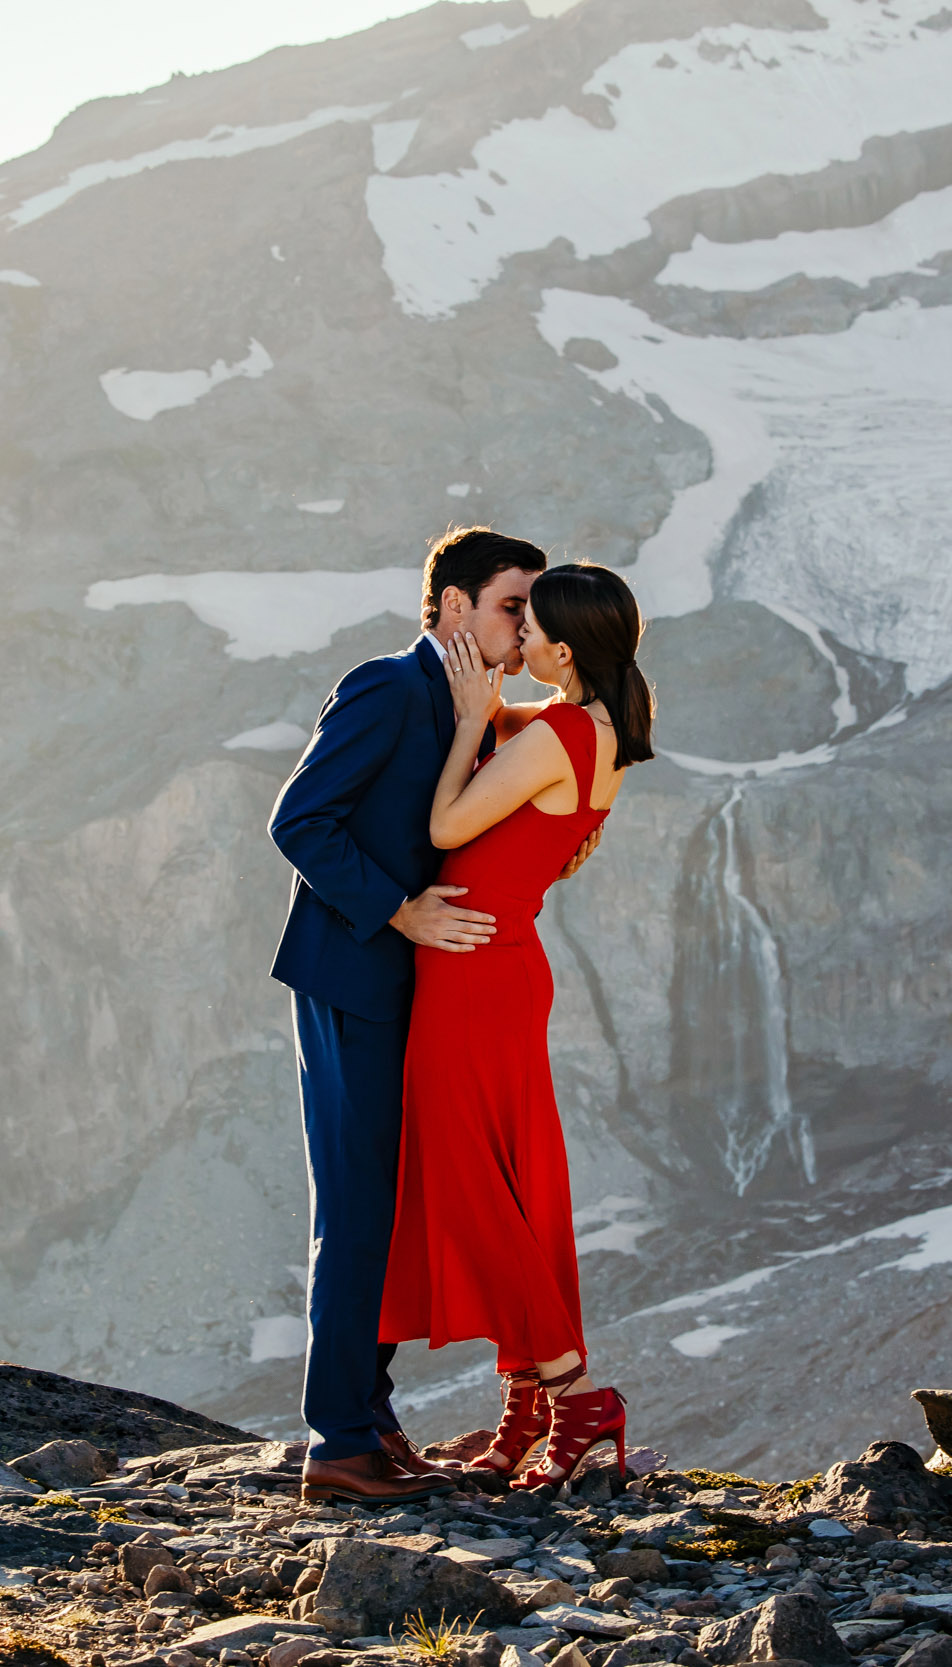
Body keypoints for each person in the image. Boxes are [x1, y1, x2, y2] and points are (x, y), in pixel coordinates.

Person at [267, 526, 563, 1504]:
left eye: (530, 608)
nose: (524, 625)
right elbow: (298, 818)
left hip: (417, 993)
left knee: (392, 1211)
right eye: (510, 605)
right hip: (352, 979)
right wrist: (398, 907)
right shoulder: (388, 687)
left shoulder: (476, 702)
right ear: (450, 608)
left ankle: (372, 1417)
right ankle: (337, 1444)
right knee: (356, 1207)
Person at [378, 561, 656, 1492]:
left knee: (473, 1181)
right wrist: (491, 706)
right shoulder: (598, 726)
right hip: (500, 967)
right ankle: (525, 1408)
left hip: (473, 973)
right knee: (513, 1183)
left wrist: (467, 721)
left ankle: (575, 1397)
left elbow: (450, 825)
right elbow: (532, 759)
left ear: (564, 650)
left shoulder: (562, 732)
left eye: (529, 628)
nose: (517, 641)